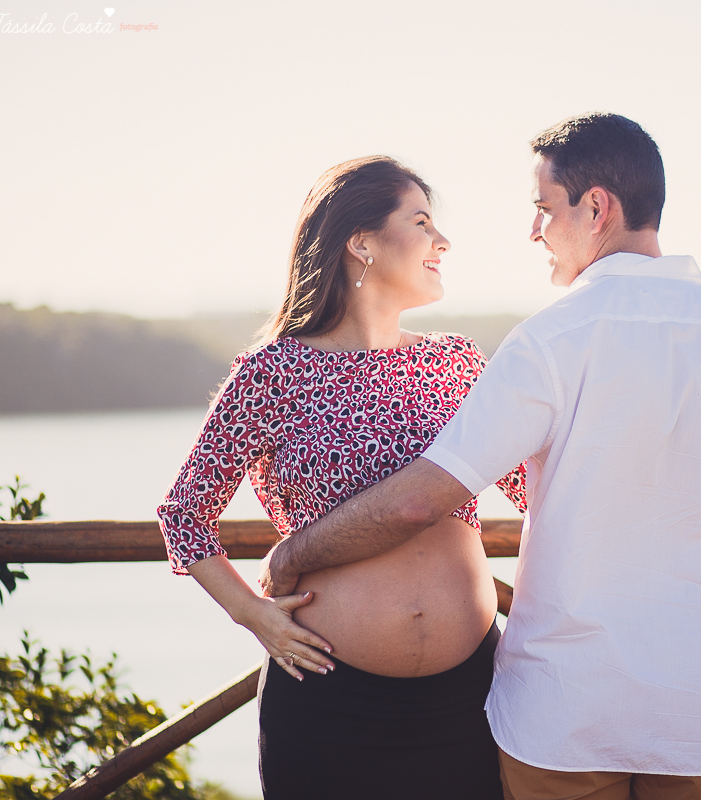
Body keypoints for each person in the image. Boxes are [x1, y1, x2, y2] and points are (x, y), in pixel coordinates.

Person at [260, 113, 701, 800]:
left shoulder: (547, 341)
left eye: (543, 209)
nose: (534, 232)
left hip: (562, 717)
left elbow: (418, 499)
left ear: (597, 207)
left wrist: (294, 553)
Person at [157, 156, 525, 800]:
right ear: (361, 242)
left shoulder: (458, 362)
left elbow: (535, 489)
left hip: (474, 694)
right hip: (331, 702)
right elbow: (184, 513)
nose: (443, 242)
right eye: (421, 222)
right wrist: (254, 616)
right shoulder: (273, 372)